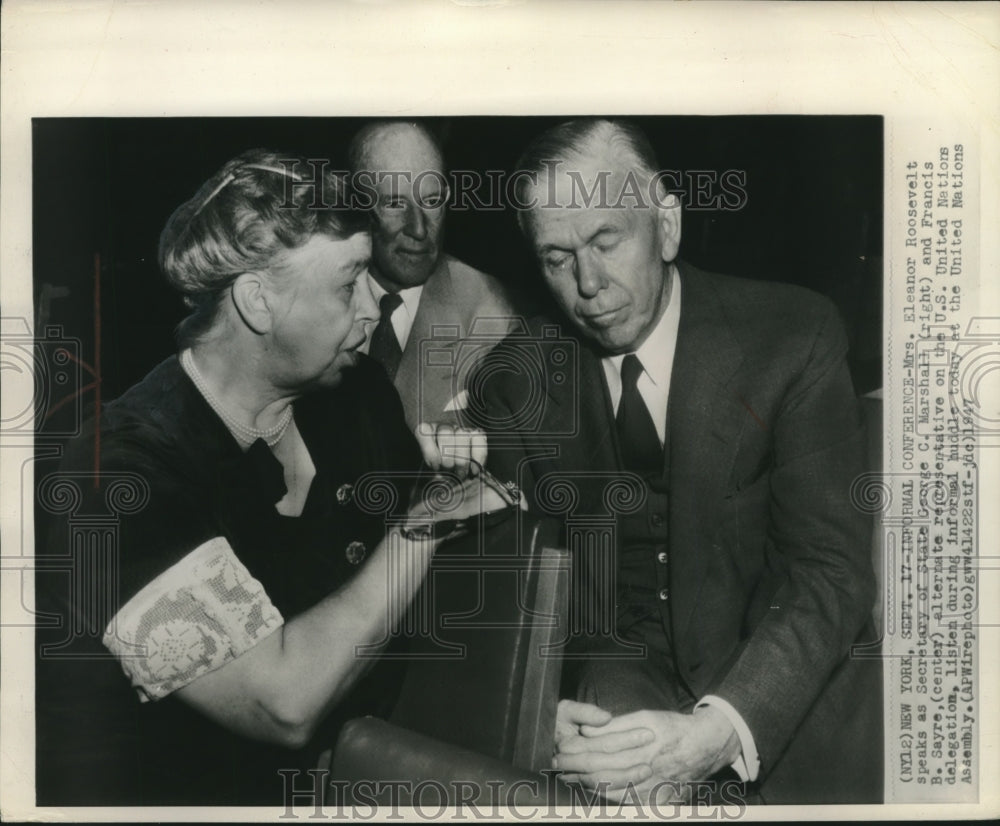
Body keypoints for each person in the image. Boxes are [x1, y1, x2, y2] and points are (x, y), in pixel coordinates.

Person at [34, 149, 505, 805]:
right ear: (258, 302)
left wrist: (508, 718)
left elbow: (414, 625)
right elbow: (282, 704)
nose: (374, 307)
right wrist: (422, 527)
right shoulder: (112, 479)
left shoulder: (357, 393)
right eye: (348, 285)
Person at [466, 119, 882, 804]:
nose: (589, 284)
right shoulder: (515, 379)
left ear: (666, 225)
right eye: (557, 257)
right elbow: (514, 599)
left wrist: (720, 728)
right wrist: (534, 708)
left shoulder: (793, 336)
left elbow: (831, 572)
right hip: (621, 676)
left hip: (779, 686)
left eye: (607, 240)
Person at [348, 120, 521, 430]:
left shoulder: (494, 315)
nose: (418, 228)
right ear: (357, 205)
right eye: (395, 203)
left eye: (431, 201)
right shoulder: (314, 297)